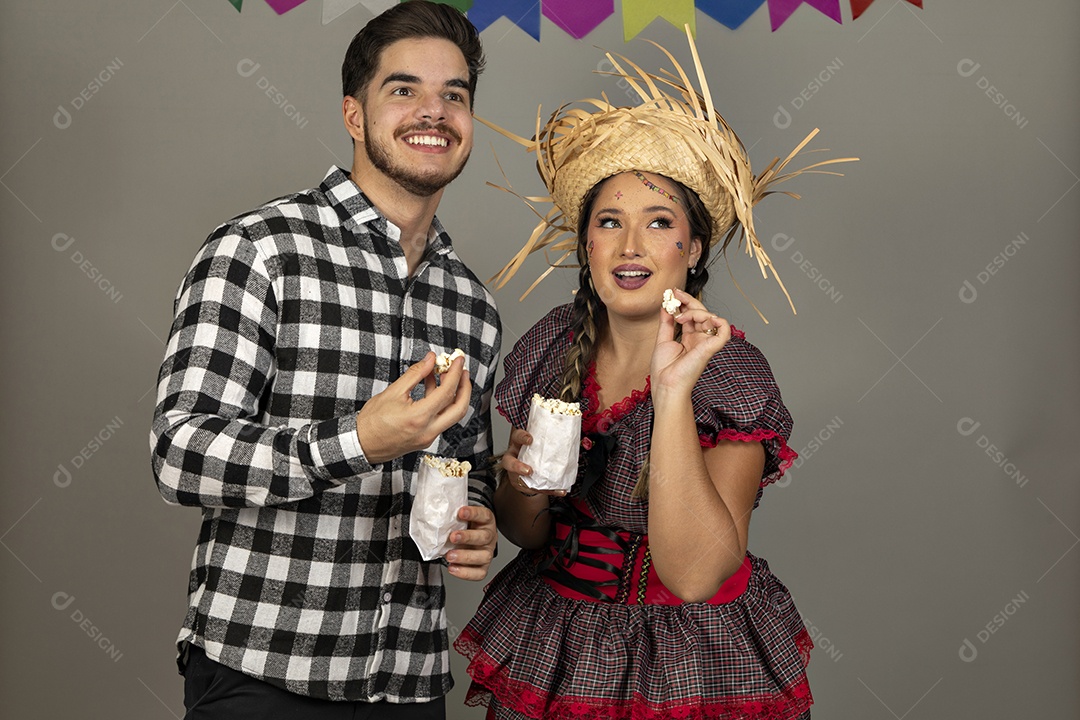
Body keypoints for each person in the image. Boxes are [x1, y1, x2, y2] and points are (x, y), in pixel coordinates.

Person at [455, 30, 854, 720]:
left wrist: (672, 393)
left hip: (684, 653)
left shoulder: (729, 374)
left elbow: (695, 573)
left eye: (658, 221)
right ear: (586, 243)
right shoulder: (555, 344)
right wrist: (518, 485)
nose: (631, 245)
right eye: (609, 222)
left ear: (692, 246)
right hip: (560, 633)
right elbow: (530, 534)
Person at [149, 2, 500, 718]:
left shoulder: (473, 307)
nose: (433, 111)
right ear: (353, 113)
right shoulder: (260, 250)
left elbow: (469, 467)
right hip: (262, 675)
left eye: (454, 96)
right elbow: (179, 453)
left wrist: (478, 522)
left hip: (410, 684)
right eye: (403, 89)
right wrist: (357, 442)